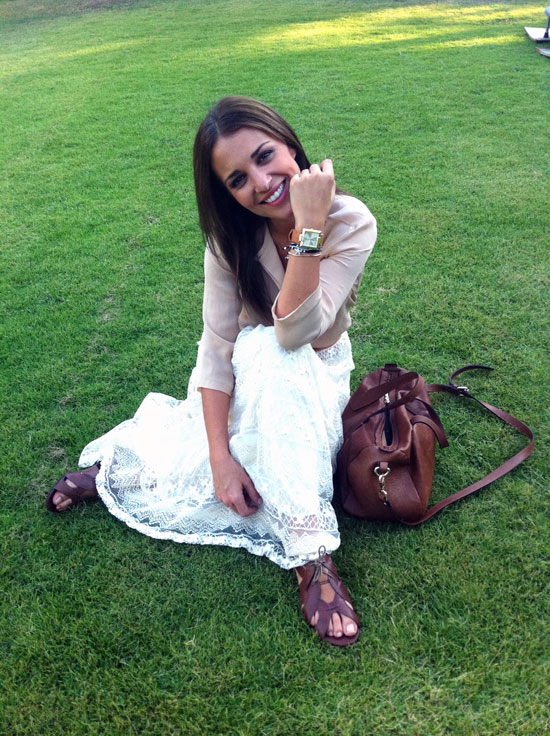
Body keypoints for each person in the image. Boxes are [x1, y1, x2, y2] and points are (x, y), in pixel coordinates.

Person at [47, 96, 377, 647]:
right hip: (249, 376)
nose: (262, 183)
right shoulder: (229, 240)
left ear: (290, 145)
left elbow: (296, 332)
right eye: (238, 180)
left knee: (274, 350)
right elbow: (217, 347)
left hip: (316, 375)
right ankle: (117, 473)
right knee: (220, 453)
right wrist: (222, 462)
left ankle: (311, 558)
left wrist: (309, 225)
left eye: (265, 156)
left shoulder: (350, 221)